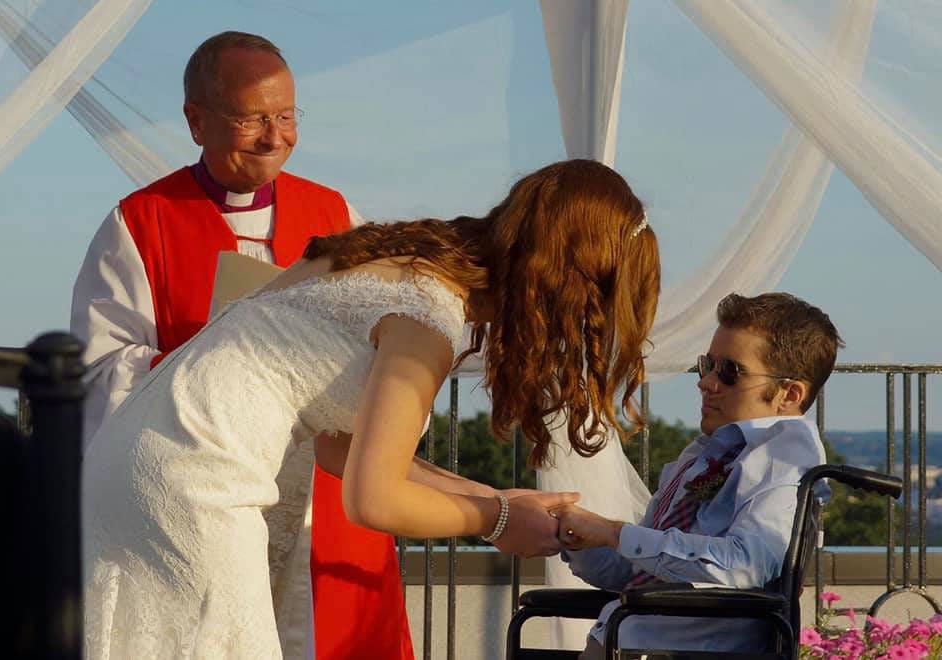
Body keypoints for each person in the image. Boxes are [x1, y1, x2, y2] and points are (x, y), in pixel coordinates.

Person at [81, 158, 661, 658]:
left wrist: (495, 499)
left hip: (134, 457)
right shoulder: (430, 316)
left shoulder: (405, 259)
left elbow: (342, 449)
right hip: (195, 481)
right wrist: (498, 524)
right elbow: (373, 497)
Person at [68, 31, 410, 658]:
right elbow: (99, 369)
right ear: (197, 121)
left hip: (321, 501)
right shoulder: (140, 222)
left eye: (285, 116)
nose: (275, 136)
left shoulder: (335, 216)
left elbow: (382, 337)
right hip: (197, 491)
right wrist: (214, 365)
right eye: (253, 119)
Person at [553, 292, 843, 656]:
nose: (706, 382)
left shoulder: (784, 459)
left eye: (730, 372)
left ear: (789, 394)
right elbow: (640, 574)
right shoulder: (708, 451)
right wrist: (577, 537)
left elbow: (746, 564)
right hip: (627, 640)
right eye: (708, 364)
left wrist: (614, 533)